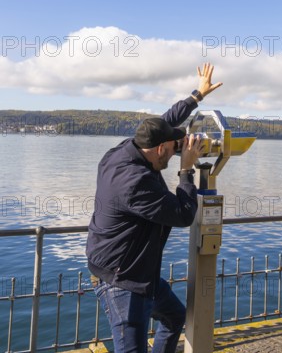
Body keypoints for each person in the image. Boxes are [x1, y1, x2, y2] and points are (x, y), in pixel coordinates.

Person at [86, 63, 223, 353]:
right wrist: (186, 170)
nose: (174, 155)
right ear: (160, 149)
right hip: (122, 279)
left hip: (139, 271)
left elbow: (161, 123)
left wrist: (196, 95)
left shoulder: (127, 150)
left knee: (174, 317)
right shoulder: (135, 183)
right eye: (173, 150)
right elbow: (184, 214)